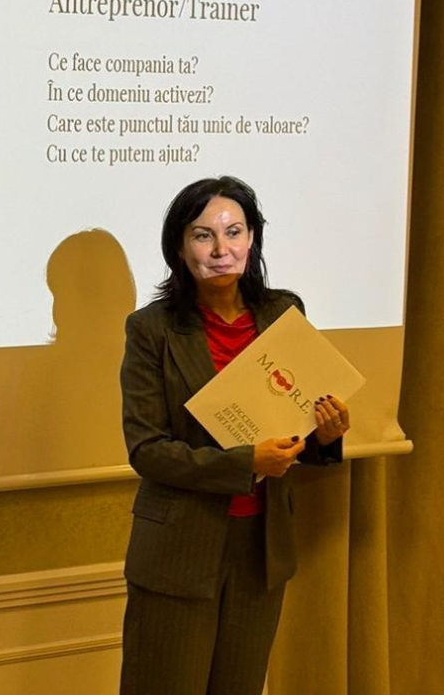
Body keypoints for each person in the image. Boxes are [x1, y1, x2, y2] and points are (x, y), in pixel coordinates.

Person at [119, 175, 350, 695]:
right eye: (203, 235)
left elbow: (293, 425)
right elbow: (147, 451)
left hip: (261, 549)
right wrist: (246, 463)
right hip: (179, 549)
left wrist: (325, 434)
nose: (221, 249)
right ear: (179, 248)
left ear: (253, 239)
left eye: (234, 232)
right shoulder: (151, 329)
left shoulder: (283, 312)